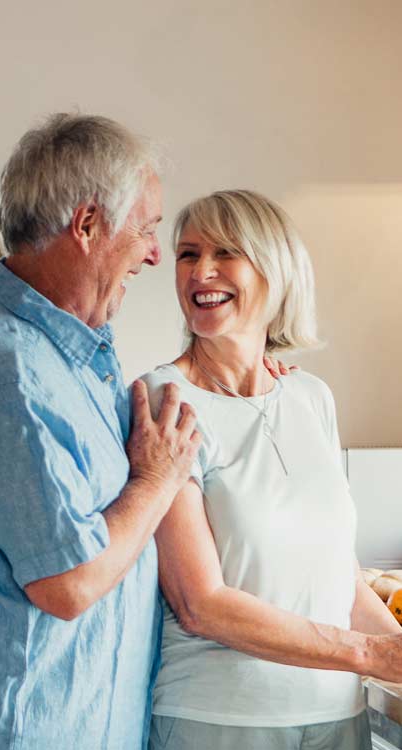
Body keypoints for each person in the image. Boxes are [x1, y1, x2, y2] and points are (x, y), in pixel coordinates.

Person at [0, 114, 205, 750]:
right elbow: (69, 584)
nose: (154, 253)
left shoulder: (67, 351)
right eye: (147, 229)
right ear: (88, 225)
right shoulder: (8, 372)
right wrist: (157, 478)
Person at [143, 190, 402, 750]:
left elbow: (341, 579)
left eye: (225, 251)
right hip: (221, 720)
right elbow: (200, 604)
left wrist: (394, 650)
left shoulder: (311, 397)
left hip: (339, 714)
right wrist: (369, 653)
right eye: (188, 254)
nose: (201, 271)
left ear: (275, 269)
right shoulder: (165, 398)